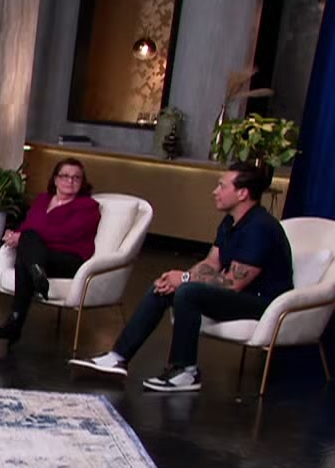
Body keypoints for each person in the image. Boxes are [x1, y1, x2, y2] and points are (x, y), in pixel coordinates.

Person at [69, 161, 294, 392]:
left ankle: (186, 371)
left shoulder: (260, 227)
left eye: (222, 186)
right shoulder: (231, 221)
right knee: (163, 287)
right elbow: (212, 262)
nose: (215, 191)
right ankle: (118, 357)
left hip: (263, 302)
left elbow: (233, 283)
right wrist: (179, 277)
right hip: (239, 295)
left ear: (242, 193)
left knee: (188, 292)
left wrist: (185, 280)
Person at [0, 158, 102, 342]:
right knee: (28, 244)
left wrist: (22, 236)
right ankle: (37, 273)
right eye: (65, 176)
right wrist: (14, 234)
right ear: (55, 179)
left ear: (82, 183)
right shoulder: (42, 200)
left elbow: (67, 233)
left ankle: (15, 322)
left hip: (70, 258)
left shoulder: (88, 206)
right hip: (40, 254)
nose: (70, 181)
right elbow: (28, 225)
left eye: (76, 178)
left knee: (26, 250)